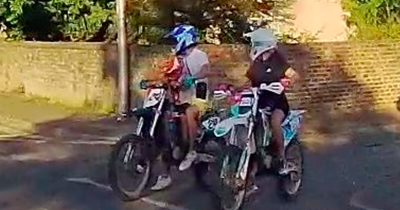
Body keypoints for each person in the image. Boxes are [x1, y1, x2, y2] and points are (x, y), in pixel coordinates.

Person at [151, 24, 212, 191]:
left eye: (175, 40)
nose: (173, 44)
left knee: (189, 113)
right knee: (164, 127)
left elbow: (206, 70)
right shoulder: (177, 58)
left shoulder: (199, 54)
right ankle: (164, 174)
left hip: (198, 97)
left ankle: (192, 150)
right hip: (180, 99)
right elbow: (167, 74)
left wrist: (193, 78)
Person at [242, 27, 300, 194]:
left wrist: (286, 82)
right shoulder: (256, 62)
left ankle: (281, 158)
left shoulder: (277, 59)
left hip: (277, 103)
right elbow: (248, 81)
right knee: (250, 130)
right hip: (259, 103)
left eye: (255, 43)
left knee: (275, 121)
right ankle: (251, 170)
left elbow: (293, 74)